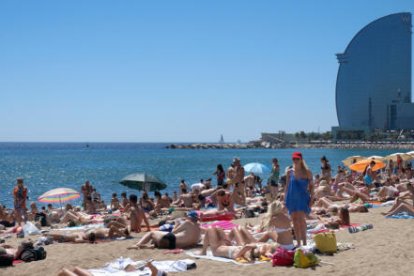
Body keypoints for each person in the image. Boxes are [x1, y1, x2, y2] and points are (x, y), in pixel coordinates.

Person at [128, 211, 201, 249]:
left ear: (189, 217)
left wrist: (176, 224)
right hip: (178, 246)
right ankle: (152, 246)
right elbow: (197, 240)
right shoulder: (199, 227)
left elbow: (173, 232)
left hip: (172, 241)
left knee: (151, 233)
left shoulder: (187, 223)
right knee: (158, 237)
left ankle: (137, 245)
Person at [284, 152, 313, 246]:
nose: (295, 161)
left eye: (297, 159)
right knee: (294, 220)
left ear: (301, 160)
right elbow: (287, 186)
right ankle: (298, 243)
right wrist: (284, 199)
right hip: (291, 198)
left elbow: (312, 187)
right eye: (294, 159)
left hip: (302, 198)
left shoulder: (307, 172)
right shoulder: (289, 172)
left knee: (301, 220)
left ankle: (304, 242)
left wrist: (312, 199)